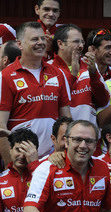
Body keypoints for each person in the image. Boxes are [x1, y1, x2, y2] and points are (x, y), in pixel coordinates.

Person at [0, 21, 71, 162]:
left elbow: (67, 121)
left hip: (54, 158)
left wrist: (64, 153)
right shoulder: (5, 76)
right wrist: (11, 165)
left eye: (42, 38)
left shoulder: (59, 74)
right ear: (20, 44)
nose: (41, 43)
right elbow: (1, 127)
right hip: (20, 159)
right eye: (34, 39)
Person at [49, 24, 109, 125]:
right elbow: (52, 102)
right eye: (76, 42)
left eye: (82, 42)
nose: (81, 46)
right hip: (61, 135)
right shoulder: (48, 68)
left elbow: (103, 101)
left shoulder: (89, 65)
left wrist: (94, 74)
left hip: (88, 135)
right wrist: (73, 74)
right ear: (60, 44)